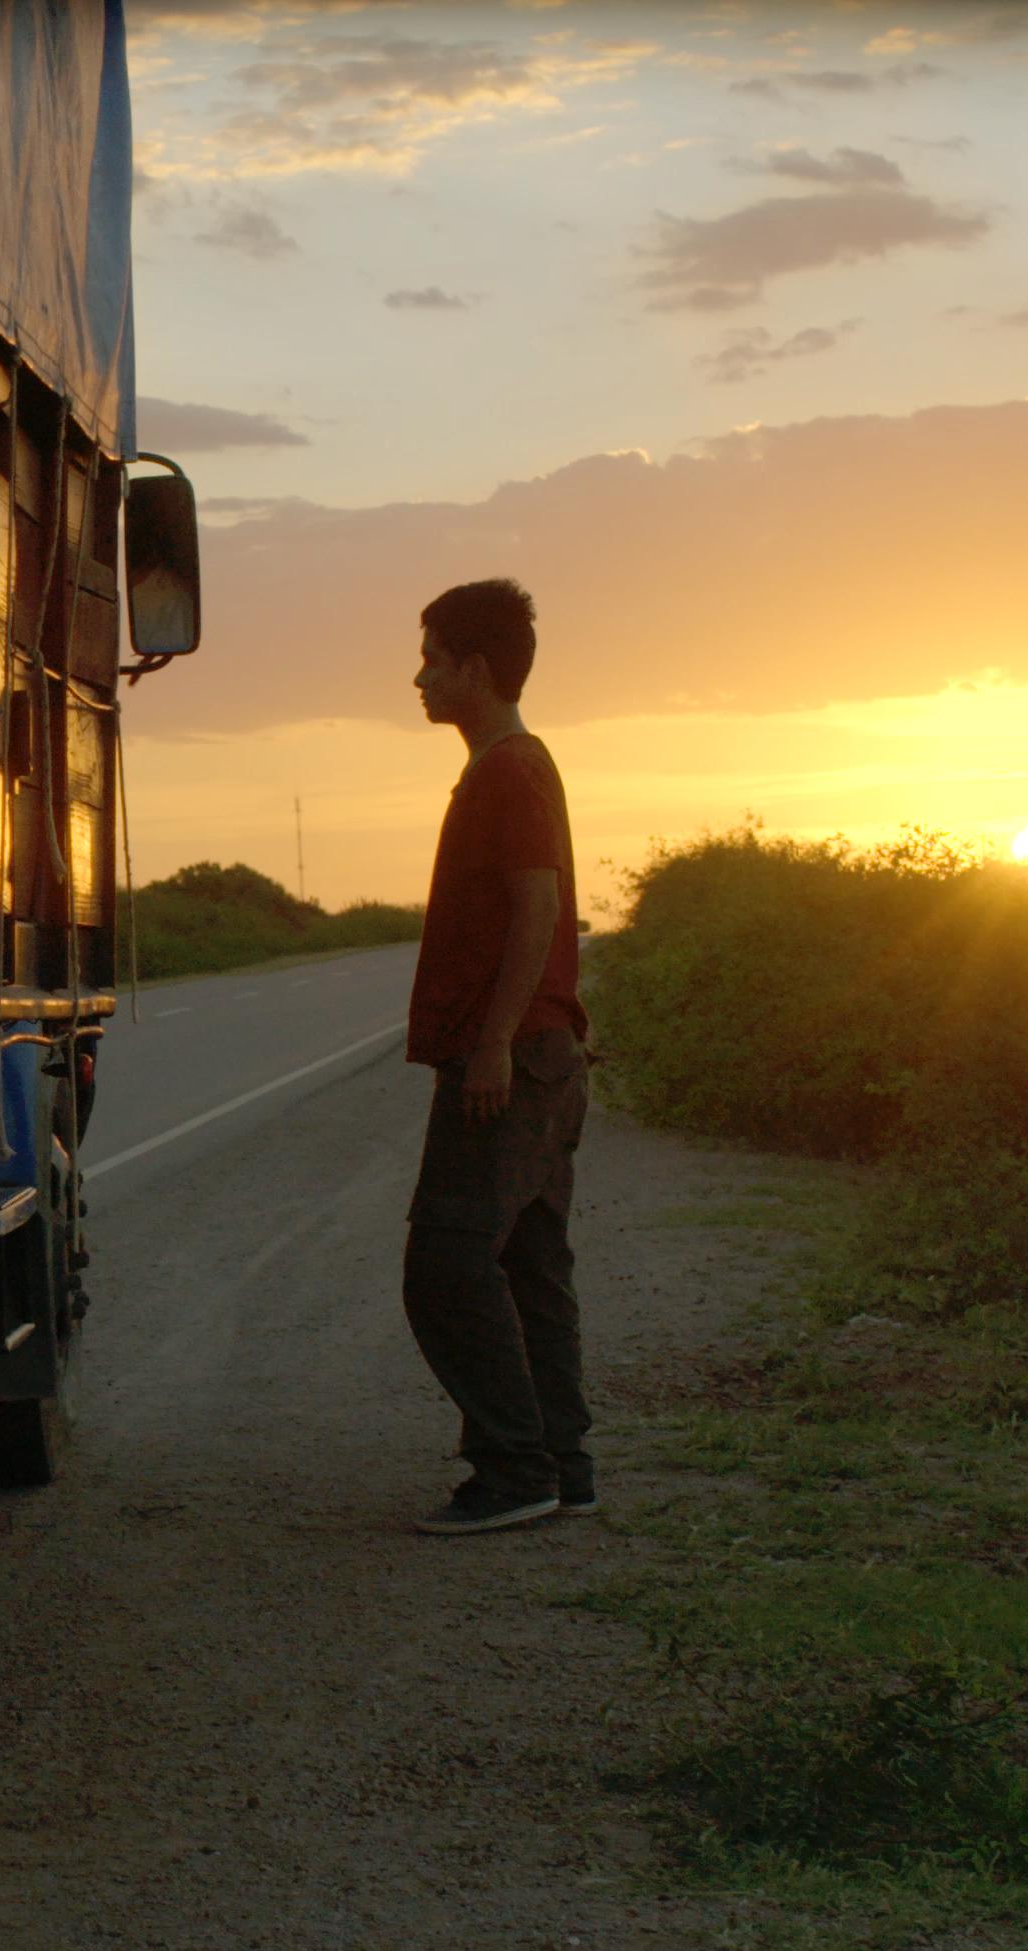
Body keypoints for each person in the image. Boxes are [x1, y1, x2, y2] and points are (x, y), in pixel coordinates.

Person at [398, 578, 594, 1536]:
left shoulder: (510, 770)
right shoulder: (512, 765)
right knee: (527, 1263)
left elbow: (539, 910)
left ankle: (515, 1470)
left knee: (444, 1263)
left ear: (476, 670)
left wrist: (491, 1049)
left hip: (515, 1059)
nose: (420, 676)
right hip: (542, 1052)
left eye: (433, 658)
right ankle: (562, 1462)